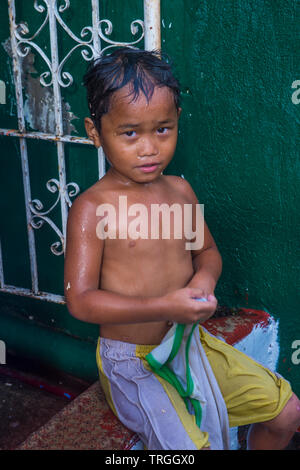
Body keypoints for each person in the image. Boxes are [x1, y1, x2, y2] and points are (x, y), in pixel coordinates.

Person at [64, 47, 300, 450]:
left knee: (288, 412)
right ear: (94, 131)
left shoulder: (179, 192)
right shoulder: (93, 208)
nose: (149, 147)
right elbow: (81, 302)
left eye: (163, 129)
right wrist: (164, 306)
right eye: (130, 133)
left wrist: (204, 281)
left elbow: (206, 253)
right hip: (132, 362)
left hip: (187, 339)